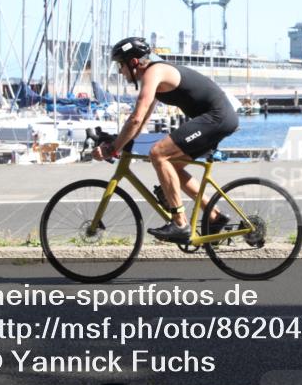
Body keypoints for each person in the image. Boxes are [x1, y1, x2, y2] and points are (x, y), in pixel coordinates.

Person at [92, 37, 239, 242]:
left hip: (217, 118)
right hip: (217, 119)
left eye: (120, 65)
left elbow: (134, 118)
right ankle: (215, 217)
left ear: (133, 62)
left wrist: (114, 149)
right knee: (173, 166)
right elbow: (140, 121)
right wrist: (120, 142)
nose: (120, 71)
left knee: (158, 153)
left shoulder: (154, 72)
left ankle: (180, 223)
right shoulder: (154, 77)